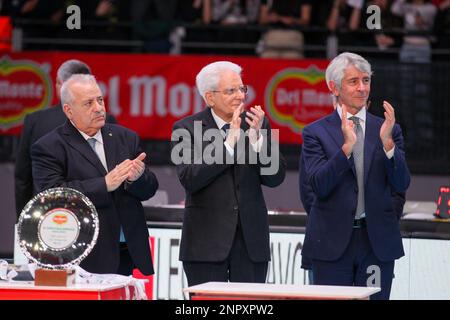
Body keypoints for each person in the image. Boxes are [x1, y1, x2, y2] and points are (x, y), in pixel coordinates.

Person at [301, 52, 410, 300]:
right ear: (334, 87)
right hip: (330, 243)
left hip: (377, 244)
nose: (362, 88)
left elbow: (401, 183)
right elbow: (317, 185)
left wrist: (388, 146)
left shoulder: (388, 129)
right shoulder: (315, 132)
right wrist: (345, 150)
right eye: (353, 81)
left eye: (366, 80)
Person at [171, 61, 286, 288]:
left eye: (242, 89)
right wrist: (228, 145)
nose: (240, 96)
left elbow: (275, 178)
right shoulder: (184, 128)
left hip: (251, 244)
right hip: (204, 246)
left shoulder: (257, 124)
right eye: (231, 90)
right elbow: (189, 178)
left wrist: (259, 140)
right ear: (209, 97)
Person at [31, 74, 158, 275]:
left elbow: (150, 189)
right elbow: (51, 195)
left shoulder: (125, 137)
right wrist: (104, 184)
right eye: (88, 103)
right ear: (68, 110)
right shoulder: (49, 147)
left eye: (100, 100)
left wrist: (138, 178)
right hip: (83, 252)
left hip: (127, 248)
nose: (98, 108)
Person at [14, 59, 116, 220]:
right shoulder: (107, 119)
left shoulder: (35, 121)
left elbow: (22, 177)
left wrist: (23, 219)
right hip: (96, 215)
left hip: (46, 216)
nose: (97, 108)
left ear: (59, 85)